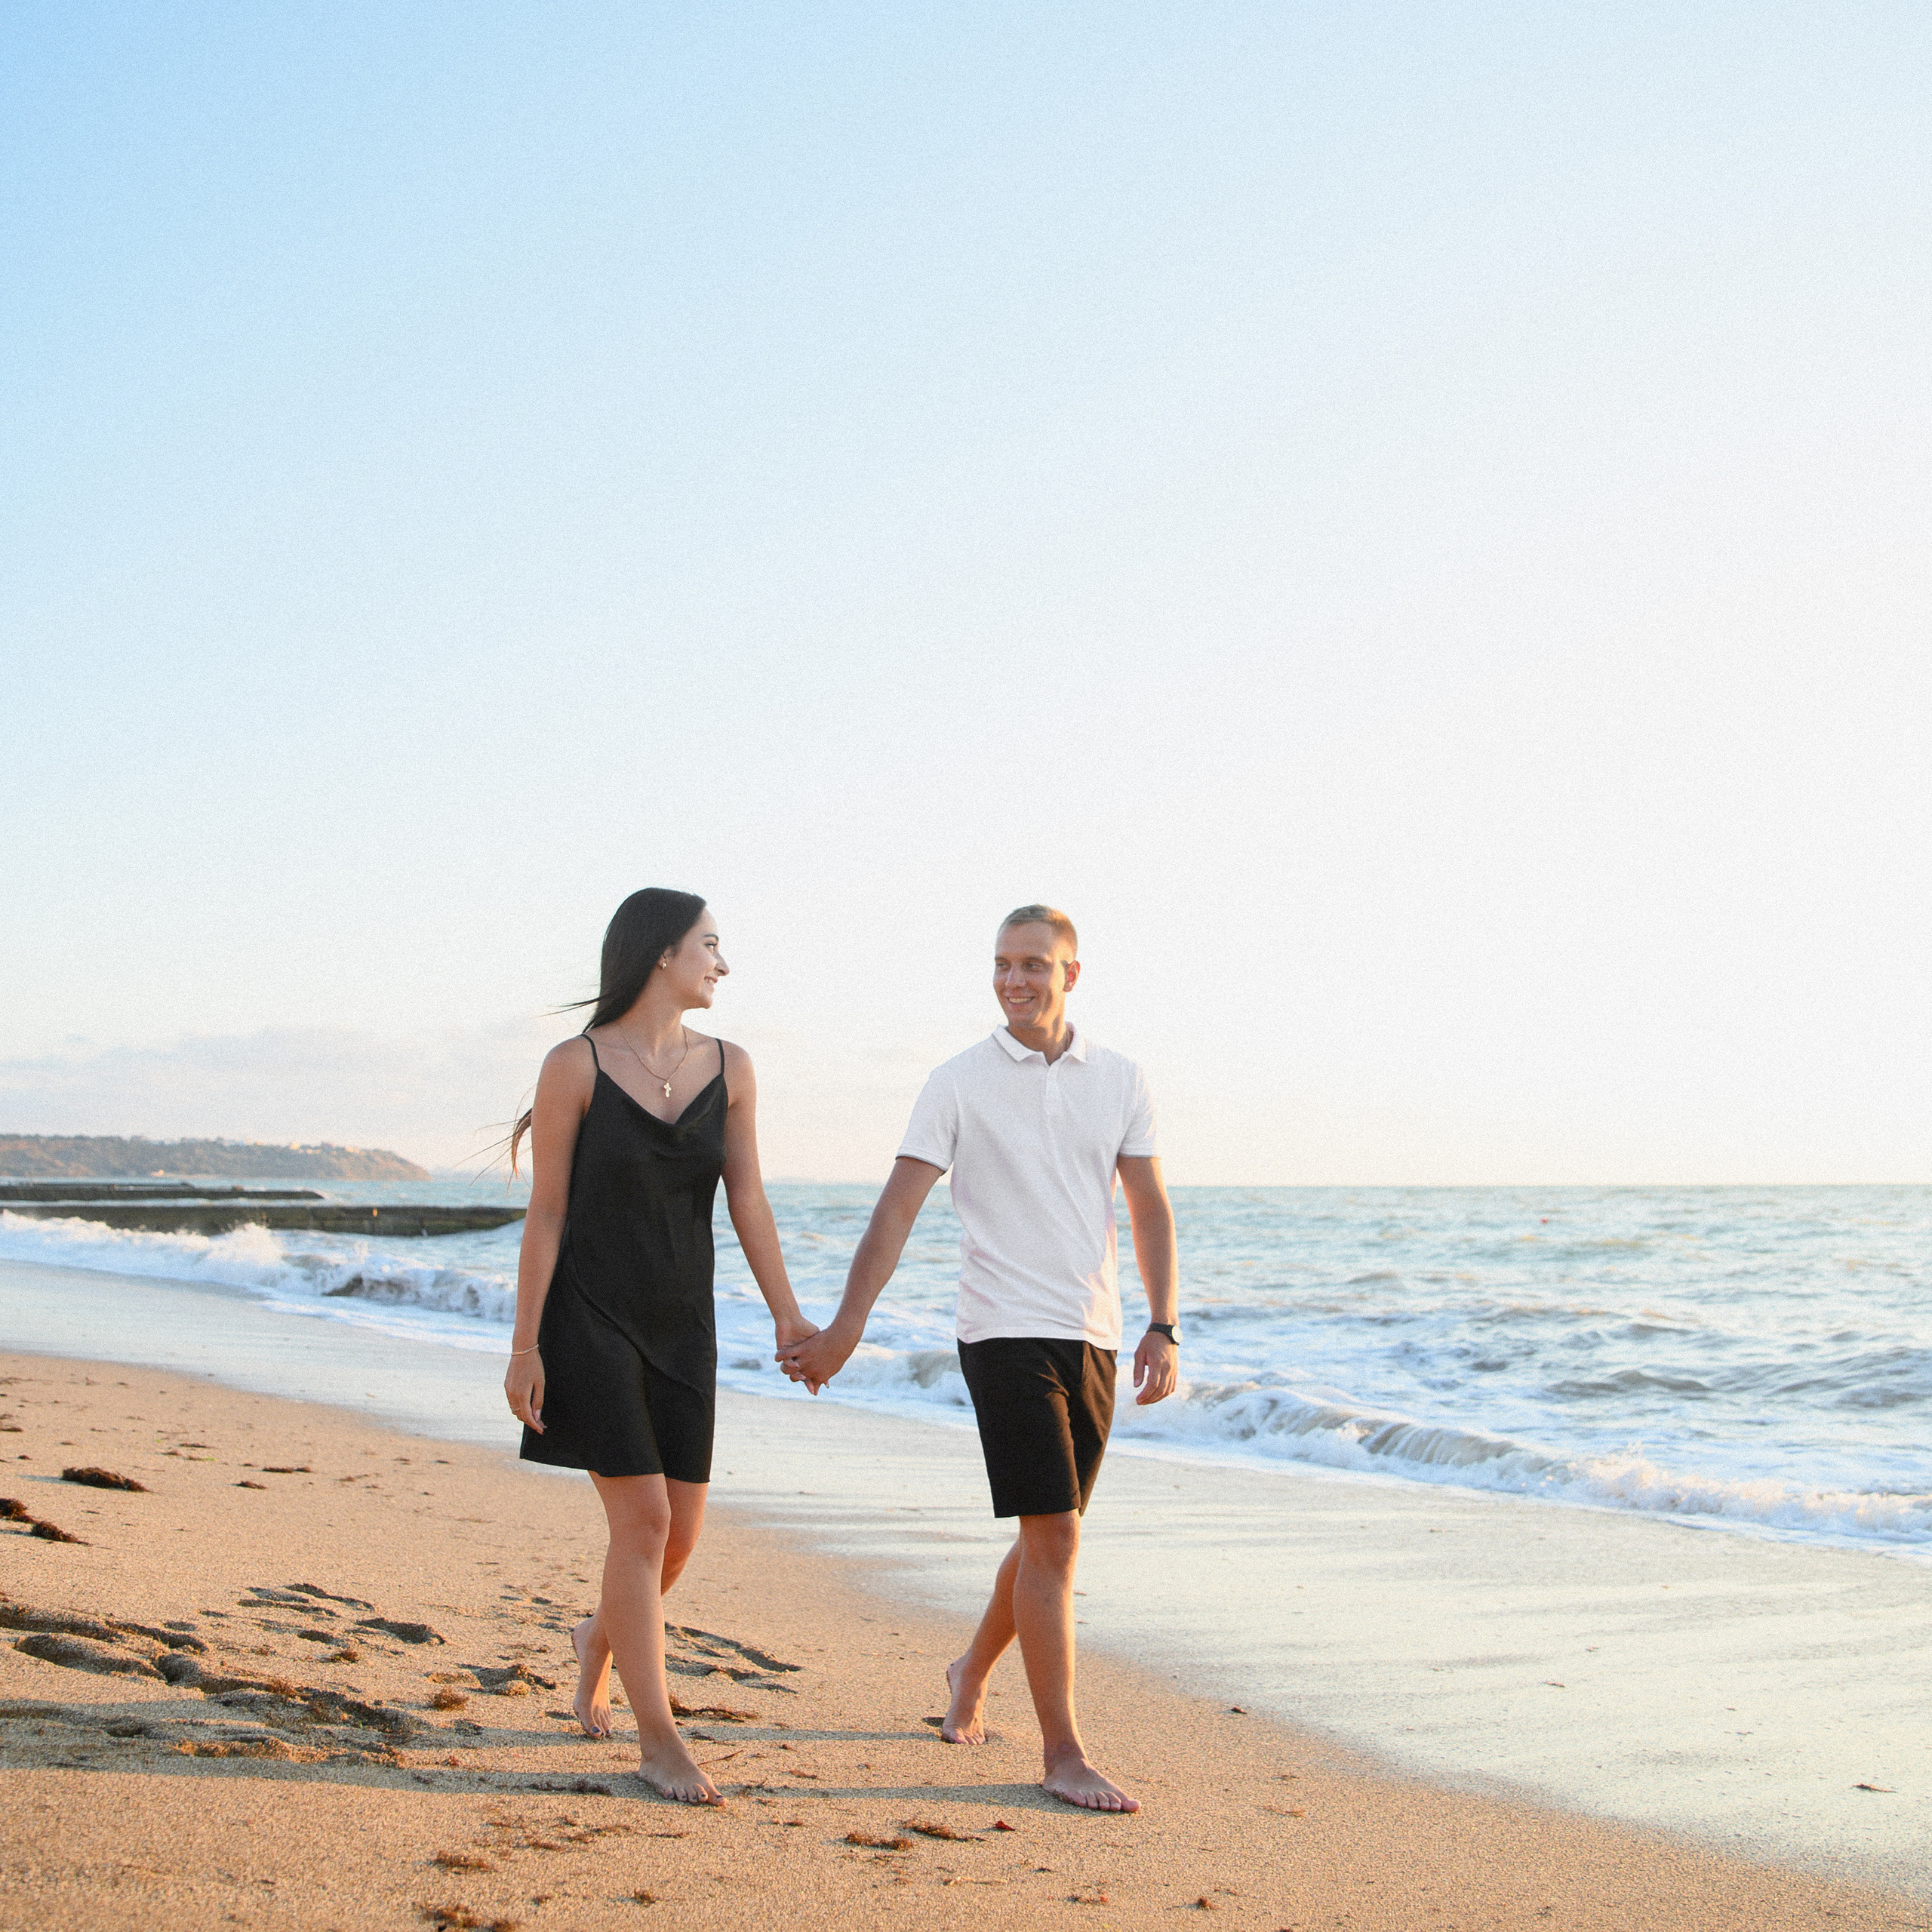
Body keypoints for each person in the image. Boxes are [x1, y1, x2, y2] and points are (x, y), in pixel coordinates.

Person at [777, 903, 1178, 1813]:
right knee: (1058, 1537)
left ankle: (967, 1670)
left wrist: (1164, 1323)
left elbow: (1149, 1208)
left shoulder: (1120, 1077)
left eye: (1033, 963)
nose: (1014, 980)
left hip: (1097, 1332)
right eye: (1001, 963)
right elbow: (896, 1210)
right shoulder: (955, 1081)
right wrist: (846, 1326)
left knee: (1049, 1532)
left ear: (1072, 972)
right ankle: (1063, 1752)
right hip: (999, 1329)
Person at [503, 889, 816, 1806]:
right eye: (709, 945)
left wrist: (788, 1316)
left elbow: (748, 1201)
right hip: (589, 1317)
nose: (721, 963)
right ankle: (659, 1739)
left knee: (677, 1538)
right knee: (641, 1524)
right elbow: (547, 1211)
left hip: (686, 1322)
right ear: (659, 956)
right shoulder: (575, 1064)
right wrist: (526, 1345)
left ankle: (599, 1634)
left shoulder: (734, 1067)